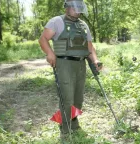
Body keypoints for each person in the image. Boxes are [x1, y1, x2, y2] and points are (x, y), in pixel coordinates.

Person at [38, 0, 102, 138]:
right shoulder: (56, 21)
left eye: (80, 8)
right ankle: (65, 130)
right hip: (64, 64)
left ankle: (74, 123)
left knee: (78, 99)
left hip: (81, 64)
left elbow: (89, 47)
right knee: (67, 98)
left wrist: (95, 60)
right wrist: (50, 53)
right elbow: (43, 39)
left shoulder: (83, 25)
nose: (78, 10)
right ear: (67, 7)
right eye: (75, 7)